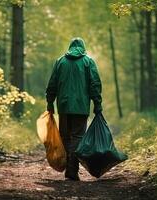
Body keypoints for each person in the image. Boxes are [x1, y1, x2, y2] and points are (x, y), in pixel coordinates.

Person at [45, 37, 102, 181]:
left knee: (65, 136)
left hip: (63, 106)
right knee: (77, 137)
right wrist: (97, 103)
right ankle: (72, 170)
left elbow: (52, 84)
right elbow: (94, 84)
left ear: (70, 47)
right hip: (81, 107)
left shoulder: (60, 62)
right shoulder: (88, 62)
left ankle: (69, 169)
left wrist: (50, 102)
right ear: (83, 47)